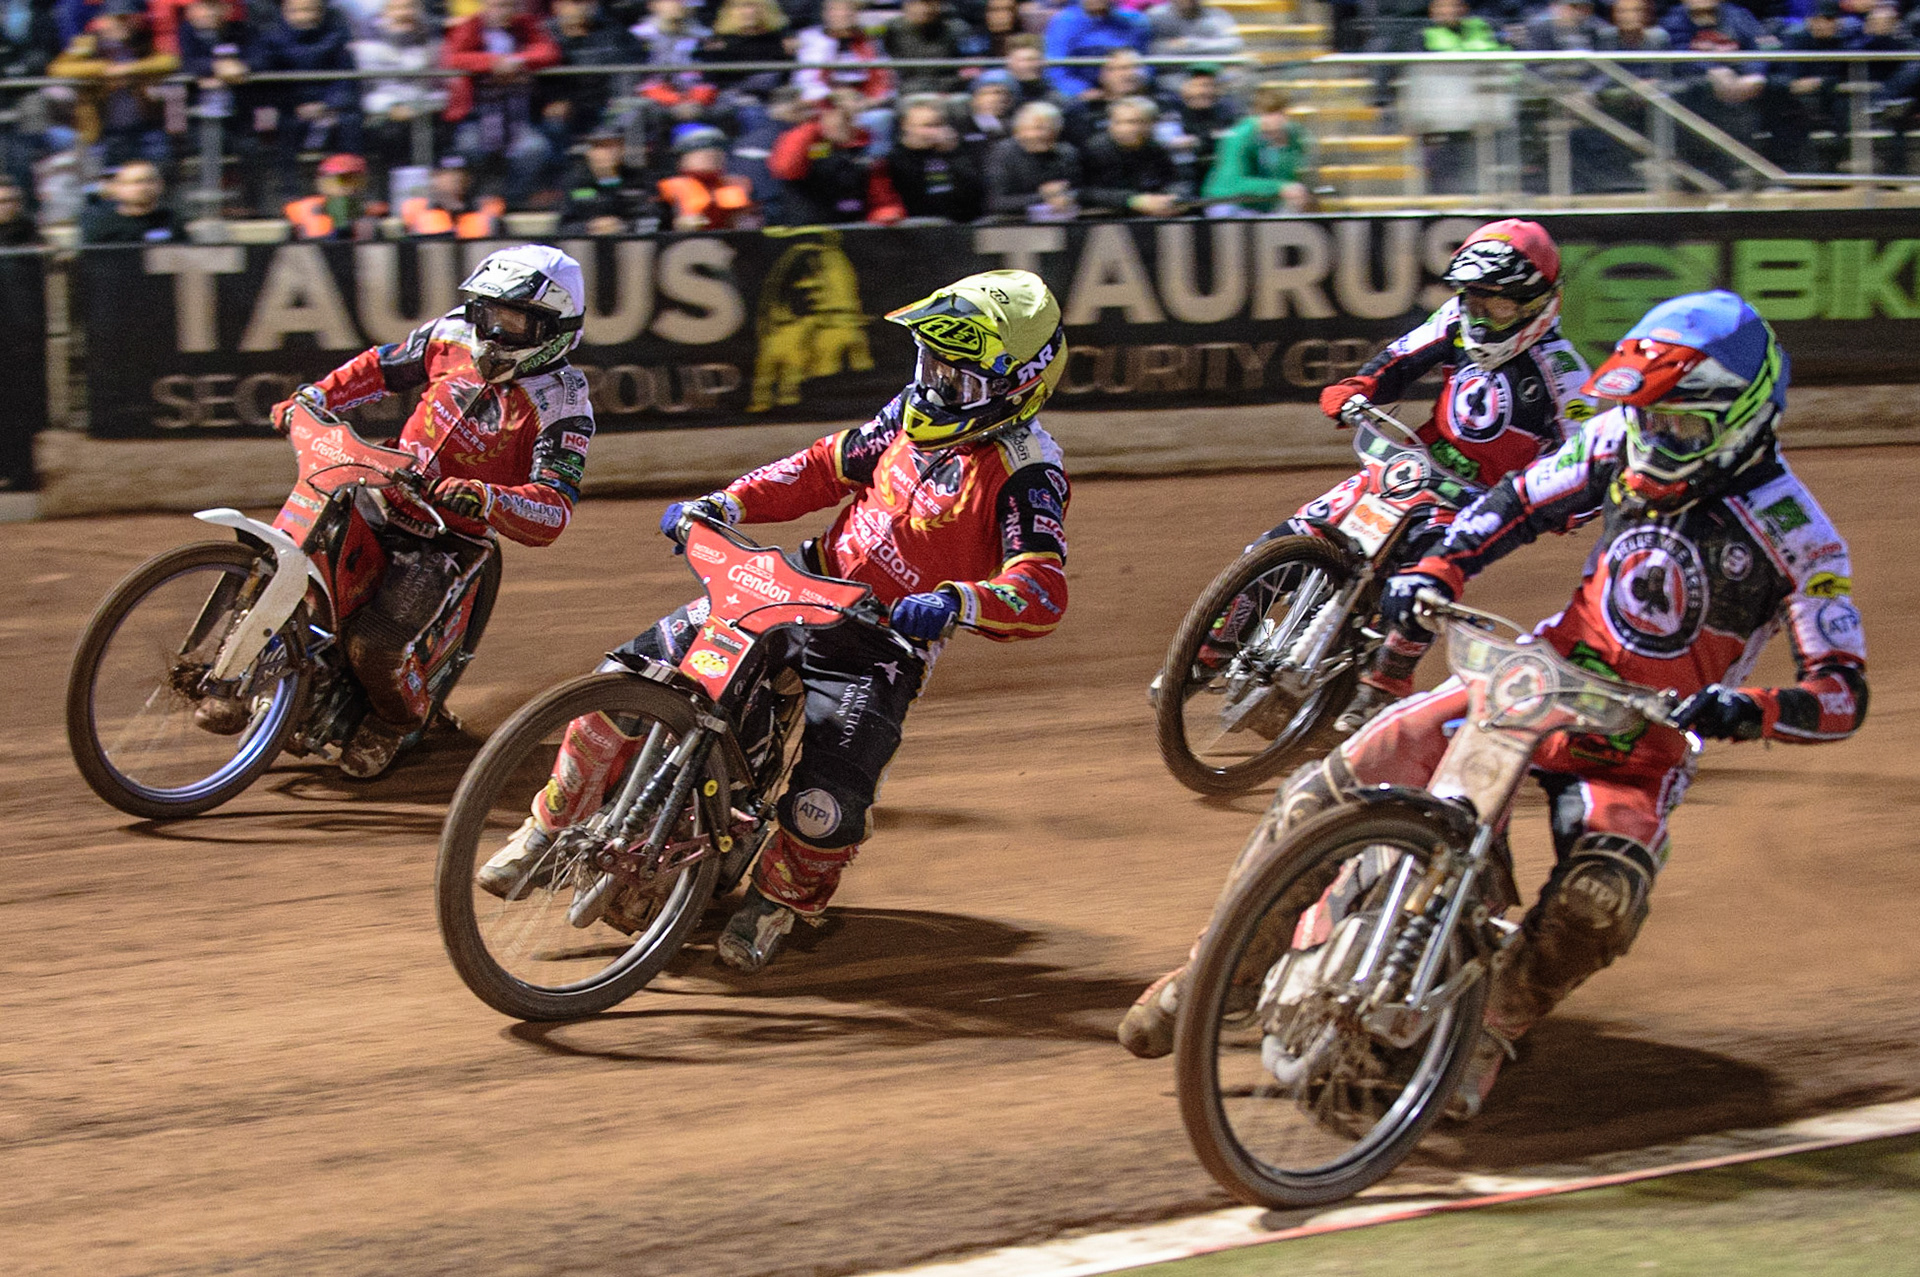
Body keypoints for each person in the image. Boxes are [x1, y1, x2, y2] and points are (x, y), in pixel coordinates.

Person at [1126, 291, 1869, 1118]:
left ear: (1744, 415)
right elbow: (1515, 503)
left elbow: (1841, 692)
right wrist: (1439, 567)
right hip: (1535, 680)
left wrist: (1745, 710)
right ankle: (1217, 971)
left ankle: (1494, 1026)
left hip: (1642, 736)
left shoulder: (1798, 534)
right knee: (1328, 786)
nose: (1656, 439)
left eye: (1679, 425)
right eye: (1648, 416)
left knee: (1602, 898)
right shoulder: (1618, 438)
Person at [476, 269, 1072, 975]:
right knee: (623, 678)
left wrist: (959, 602)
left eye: (959, 378)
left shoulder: (1028, 471)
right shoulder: (908, 416)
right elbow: (822, 468)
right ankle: (546, 827)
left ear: (1017, 387)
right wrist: (727, 503)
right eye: (932, 364)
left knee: (829, 799)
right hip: (798, 584)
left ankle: (779, 900)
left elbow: (1042, 585)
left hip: (882, 639)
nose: (936, 387)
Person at [1145, 221, 1593, 737]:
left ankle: (1381, 688)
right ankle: (1209, 651)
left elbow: (1585, 462)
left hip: (1479, 502)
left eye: (1497, 304)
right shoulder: (1455, 320)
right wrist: (1358, 387)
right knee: (1285, 541)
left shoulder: (1565, 376)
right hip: (1409, 466)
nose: (1480, 314)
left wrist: (1562, 507)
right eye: (1472, 298)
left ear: (1536, 303)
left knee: (1420, 584)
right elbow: (1398, 361)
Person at [263, 246, 596, 779]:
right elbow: (380, 366)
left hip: (446, 537)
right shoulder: (452, 333)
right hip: (376, 488)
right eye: (486, 312)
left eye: (512, 321)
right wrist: (317, 396)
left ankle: (395, 721)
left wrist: (486, 497)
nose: (492, 330)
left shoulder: (564, 402)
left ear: (554, 329)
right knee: (299, 571)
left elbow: (554, 508)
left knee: (374, 645)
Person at [442, 0, 562, 206]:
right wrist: (492, 63)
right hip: (477, 116)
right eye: (496, 5)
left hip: (519, 117)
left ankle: (512, 201)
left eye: (507, 6)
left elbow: (549, 52)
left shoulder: (525, 24)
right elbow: (454, 58)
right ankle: (477, 201)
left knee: (536, 149)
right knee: (469, 146)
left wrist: (517, 62)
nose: (502, 12)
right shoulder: (471, 26)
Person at [249, 0, 362, 207]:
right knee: (284, 129)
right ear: (285, 11)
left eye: (310, 10)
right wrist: (293, 105)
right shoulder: (272, 38)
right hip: (292, 108)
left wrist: (329, 105)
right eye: (297, 11)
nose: (304, 16)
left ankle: (348, 195)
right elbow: (269, 83)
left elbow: (346, 77)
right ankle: (290, 199)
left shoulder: (335, 35)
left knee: (350, 122)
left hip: (329, 107)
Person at [46, 0, 178, 168]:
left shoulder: (143, 43)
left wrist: (130, 69)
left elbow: (170, 62)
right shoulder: (88, 44)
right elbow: (58, 69)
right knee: (96, 174)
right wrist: (103, 69)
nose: (123, 24)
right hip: (101, 132)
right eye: (117, 18)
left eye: (128, 18)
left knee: (158, 164)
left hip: (142, 129)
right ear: (103, 20)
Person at [768, 89, 905, 223]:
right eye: (832, 114)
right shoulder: (803, 142)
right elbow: (785, 168)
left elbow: (882, 199)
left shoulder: (867, 149)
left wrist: (886, 213)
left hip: (853, 228)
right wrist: (814, 128)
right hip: (807, 228)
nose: (839, 122)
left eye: (847, 118)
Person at [353, 0, 447, 178]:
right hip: (383, 113)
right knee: (390, 134)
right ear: (384, 13)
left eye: (409, 7)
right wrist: (392, 107)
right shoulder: (368, 44)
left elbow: (442, 89)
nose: (403, 13)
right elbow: (365, 90)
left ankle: (428, 190)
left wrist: (419, 108)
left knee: (436, 131)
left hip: (424, 111)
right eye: (396, 8)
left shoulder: (432, 42)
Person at [1200, 82, 1310, 213]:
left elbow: (1290, 177)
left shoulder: (1292, 136)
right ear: (1255, 114)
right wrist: (1280, 187)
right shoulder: (1239, 137)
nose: (1276, 120)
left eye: (1281, 113)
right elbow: (1232, 183)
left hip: (1266, 204)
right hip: (1228, 202)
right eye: (1269, 113)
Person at [887, 93, 986, 221]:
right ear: (905, 125)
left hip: (961, 224)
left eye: (939, 125)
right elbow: (912, 198)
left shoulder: (958, 151)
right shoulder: (894, 160)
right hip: (916, 227)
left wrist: (951, 154)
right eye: (927, 126)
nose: (935, 132)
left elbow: (976, 196)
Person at [1081, 94, 1180, 214]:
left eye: (1135, 122)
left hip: (1154, 215)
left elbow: (1174, 181)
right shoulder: (1094, 150)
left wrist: (1174, 199)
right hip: (1108, 217)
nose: (1126, 129)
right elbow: (1084, 192)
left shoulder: (1156, 148)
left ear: (1151, 124)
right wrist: (1133, 200)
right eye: (1119, 123)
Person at [984, 99, 1081, 219]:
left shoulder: (1066, 153)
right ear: (1019, 131)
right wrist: (1044, 196)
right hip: (1015, 222)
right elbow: (997, 203)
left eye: (1051, 128)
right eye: (1038, 128)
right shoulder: (1003, 153)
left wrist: (1069, 197)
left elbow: (1079, 191)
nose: (1045, 134)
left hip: (1061, 219)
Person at [559, 124, 660, 234]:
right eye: (598, 147)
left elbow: (652, 220)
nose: (604, 153)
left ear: (622, 149)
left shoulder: (639, 178)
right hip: (588, 238)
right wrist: (590, 227)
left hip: (629, 238)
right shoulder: (576, 181)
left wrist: (622, 226)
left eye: (610, 146)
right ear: (589, 152)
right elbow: (563, 225)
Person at [656, 122, 757, 229]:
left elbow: (748, 225)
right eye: (699, 150)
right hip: (687, 238)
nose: (711, 155)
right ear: (682, 158)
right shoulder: (667, 188)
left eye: (718, 150)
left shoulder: (736, 185)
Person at [1043, 0, 1149, 99]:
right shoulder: (1064, 22)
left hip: (1130, 88)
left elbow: (1146, 61)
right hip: (1083, 95)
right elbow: (1055, 68)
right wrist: (1081, 90)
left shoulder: (1133, 21)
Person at [793, 0, 893, 104]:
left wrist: (866, 102)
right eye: (835, 10)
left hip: (865, 101)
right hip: (822, 102)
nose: (842, 14)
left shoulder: (869, 40)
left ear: (856, 13)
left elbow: (883, 80)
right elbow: (806, 81)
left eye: (847, 9)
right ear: (824, 13)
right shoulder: (811, 39)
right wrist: (833, 96)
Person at [77, 158, 184, 242]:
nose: (143, 187)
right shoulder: (101, 226)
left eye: (149, 181)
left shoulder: (173, 220)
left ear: (160, 185)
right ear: (118, 187)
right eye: (135, 182)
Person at [284, 151, 383, 240]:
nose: (344, 189)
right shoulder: (300, 209)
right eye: (335, 182)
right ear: (321, 184)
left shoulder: (375, 213)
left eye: (352, 181)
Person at [400, 154, 505, 236]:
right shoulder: (416, 210)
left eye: (461, 174)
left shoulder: (487, 209)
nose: (456, 179)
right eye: (448, 174)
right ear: (434, 178)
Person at [884, 0, 970, 97]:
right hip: (908, 89)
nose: (925, 9)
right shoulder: (892, 30)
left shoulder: (955, 30)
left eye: (930, 4)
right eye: (919, 3)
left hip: (948, 89)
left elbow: (969, 67)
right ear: (907, 6)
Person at [1144, 0, 1244, 58]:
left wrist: (1190, 44)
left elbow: (1234, 45)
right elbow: (1149, 48)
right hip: (1171, 74)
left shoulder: (1218, 15)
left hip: (1210, 73)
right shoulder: (1155, 16)